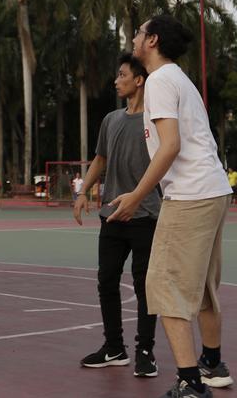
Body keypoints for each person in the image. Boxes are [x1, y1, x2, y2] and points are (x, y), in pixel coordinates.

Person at [108, 15, 235, 397]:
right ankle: (211, 362)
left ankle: (190, 382)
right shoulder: (180, 78)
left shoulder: (161, 80)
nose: (134, 37)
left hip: (191, 194)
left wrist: (136, 195)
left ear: (153, 41)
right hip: (212, 190)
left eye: (139, 32)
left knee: (166, 287)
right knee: (203, 286)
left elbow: (170, 146)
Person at [74, 53, 162, 379]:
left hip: (146, 215)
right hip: (112, 216)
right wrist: (83, 192)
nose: (116, 80)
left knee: (144, 286)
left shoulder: (155, 122)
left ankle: (144, 350)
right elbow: (99, 160)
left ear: (138, 80)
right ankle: (114, 347)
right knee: (106, 281)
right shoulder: (111, 120)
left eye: (122, 74)